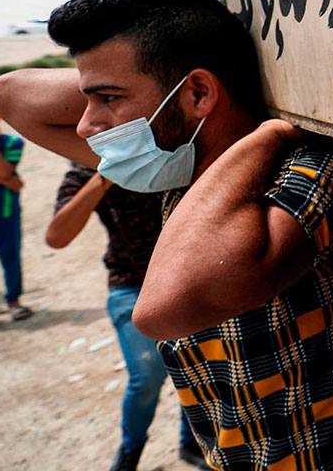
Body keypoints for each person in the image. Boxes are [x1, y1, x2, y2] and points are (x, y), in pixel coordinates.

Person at [0, 0, 333, 471]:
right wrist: (132, 93)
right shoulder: (177, 159)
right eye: (88, 98)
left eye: (107, 98)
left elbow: (160, 312)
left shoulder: (318, 163)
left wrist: (265, 134)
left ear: (200, 92)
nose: (86, 124)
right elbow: (10, 94)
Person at [48, 163, 208, 471]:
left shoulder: (165, 152)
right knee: (146, 374)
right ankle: (130, 452)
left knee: (195, 364)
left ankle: (192, 443)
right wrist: (103, 178)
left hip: (182, 277)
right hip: (130, 284)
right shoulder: (83, 172)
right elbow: (56, 237)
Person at [0, 111, 29, 321]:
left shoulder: (12, 143)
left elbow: (6, 173)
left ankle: (13, 301)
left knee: (10, 255)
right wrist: (4, 180)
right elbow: (9, 179)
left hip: (5, 211)